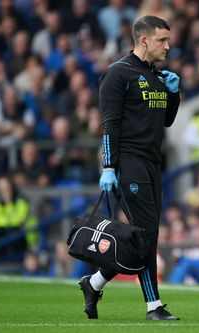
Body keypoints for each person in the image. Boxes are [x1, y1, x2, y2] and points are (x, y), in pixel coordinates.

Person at [78, 15, 181, 321]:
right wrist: (108, 166)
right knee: (147, 236)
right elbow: (109, 125)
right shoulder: (117, 74)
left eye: (168, 39)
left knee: (143, 236)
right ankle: (154, 306)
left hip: (152, 164)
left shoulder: (155, 76)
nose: (168, 45)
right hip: (127, 164)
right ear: (144, 40)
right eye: (162, 40)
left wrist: (173, 94)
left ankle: (93, 283)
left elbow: (166, 121)